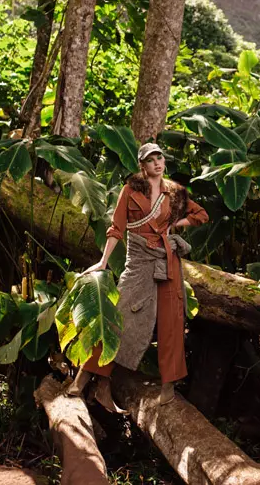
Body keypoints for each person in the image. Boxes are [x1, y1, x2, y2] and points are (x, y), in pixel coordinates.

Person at [67, 142, 209, 408]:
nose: (157, 162)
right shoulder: (130, 190)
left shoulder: (175, 192)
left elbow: (201, 215)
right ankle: (84, 379)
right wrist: (103, 261)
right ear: (142, 165)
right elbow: (116, 228)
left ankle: (168, 388)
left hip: (167, 262)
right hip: (138, 261)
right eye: (151, 159)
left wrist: (174, 226)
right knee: (118, 317)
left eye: (160, 157)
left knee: (171, 323)